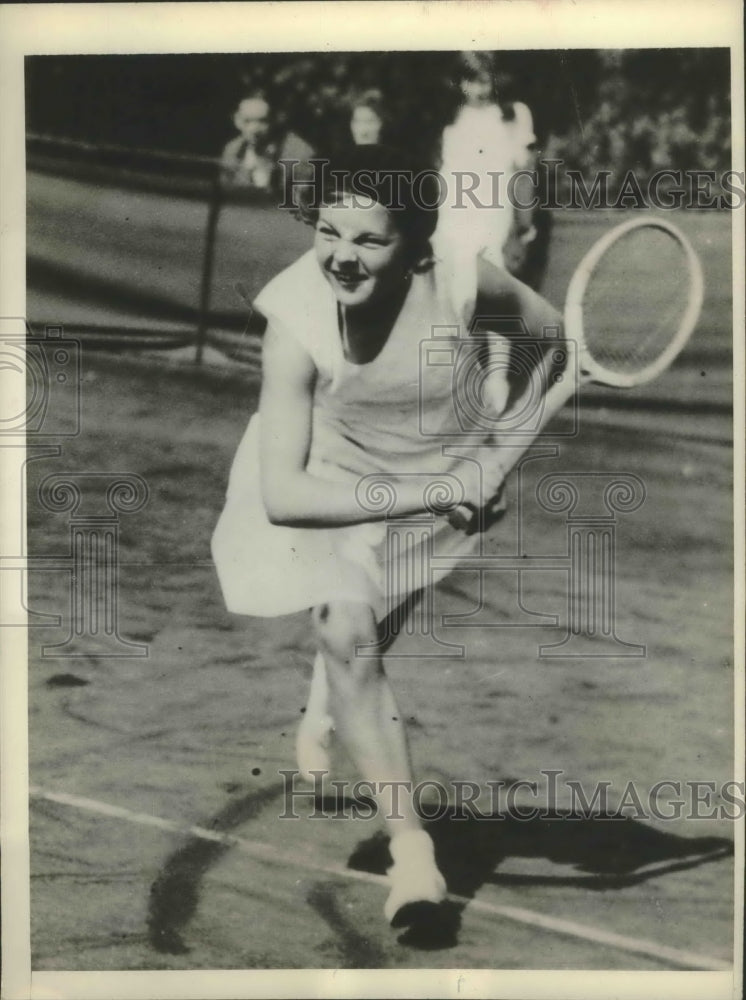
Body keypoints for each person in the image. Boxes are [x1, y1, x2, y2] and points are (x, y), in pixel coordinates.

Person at [212, 145, 563, 925]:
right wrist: (445, 489)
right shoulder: (294, 323)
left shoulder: (466, 283)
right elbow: (284, 494)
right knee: (345, 628)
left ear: (416, 247)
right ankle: (415, 859)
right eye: (328, 232)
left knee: (376, 622)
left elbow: (551, 344)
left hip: (429, 455)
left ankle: (331, 704)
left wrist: (495, 458)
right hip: (327, 477)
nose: (341, 256)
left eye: (369, 240)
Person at [435, 55, 539, 275]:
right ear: (460, 82)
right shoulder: (450, 119)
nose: (478, 89)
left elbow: (525, 172)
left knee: (496, 283)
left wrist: (523, 225)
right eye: (470, 81)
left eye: (484, 81)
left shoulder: (512, 115)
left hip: (496, 217)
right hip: (454, 218)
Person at [220, 95, 275, 191]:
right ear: (238, 121)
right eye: (248, 121)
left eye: (262, 121)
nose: (255, 127)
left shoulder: (278, 150)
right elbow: (224, 183)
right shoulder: (232, 148)